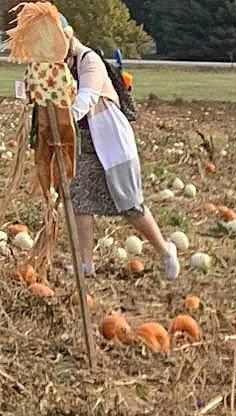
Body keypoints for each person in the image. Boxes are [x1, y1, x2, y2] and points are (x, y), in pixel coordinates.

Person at [65, 31, 177, 282]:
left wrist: (65, 118)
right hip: (86, 143)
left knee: (130, 205)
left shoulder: (89, 61)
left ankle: (165, 249)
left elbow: (87, 97)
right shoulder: (63, 65)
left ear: (67, 37)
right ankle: (85, 263)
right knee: (79, 200)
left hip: (112, 143)